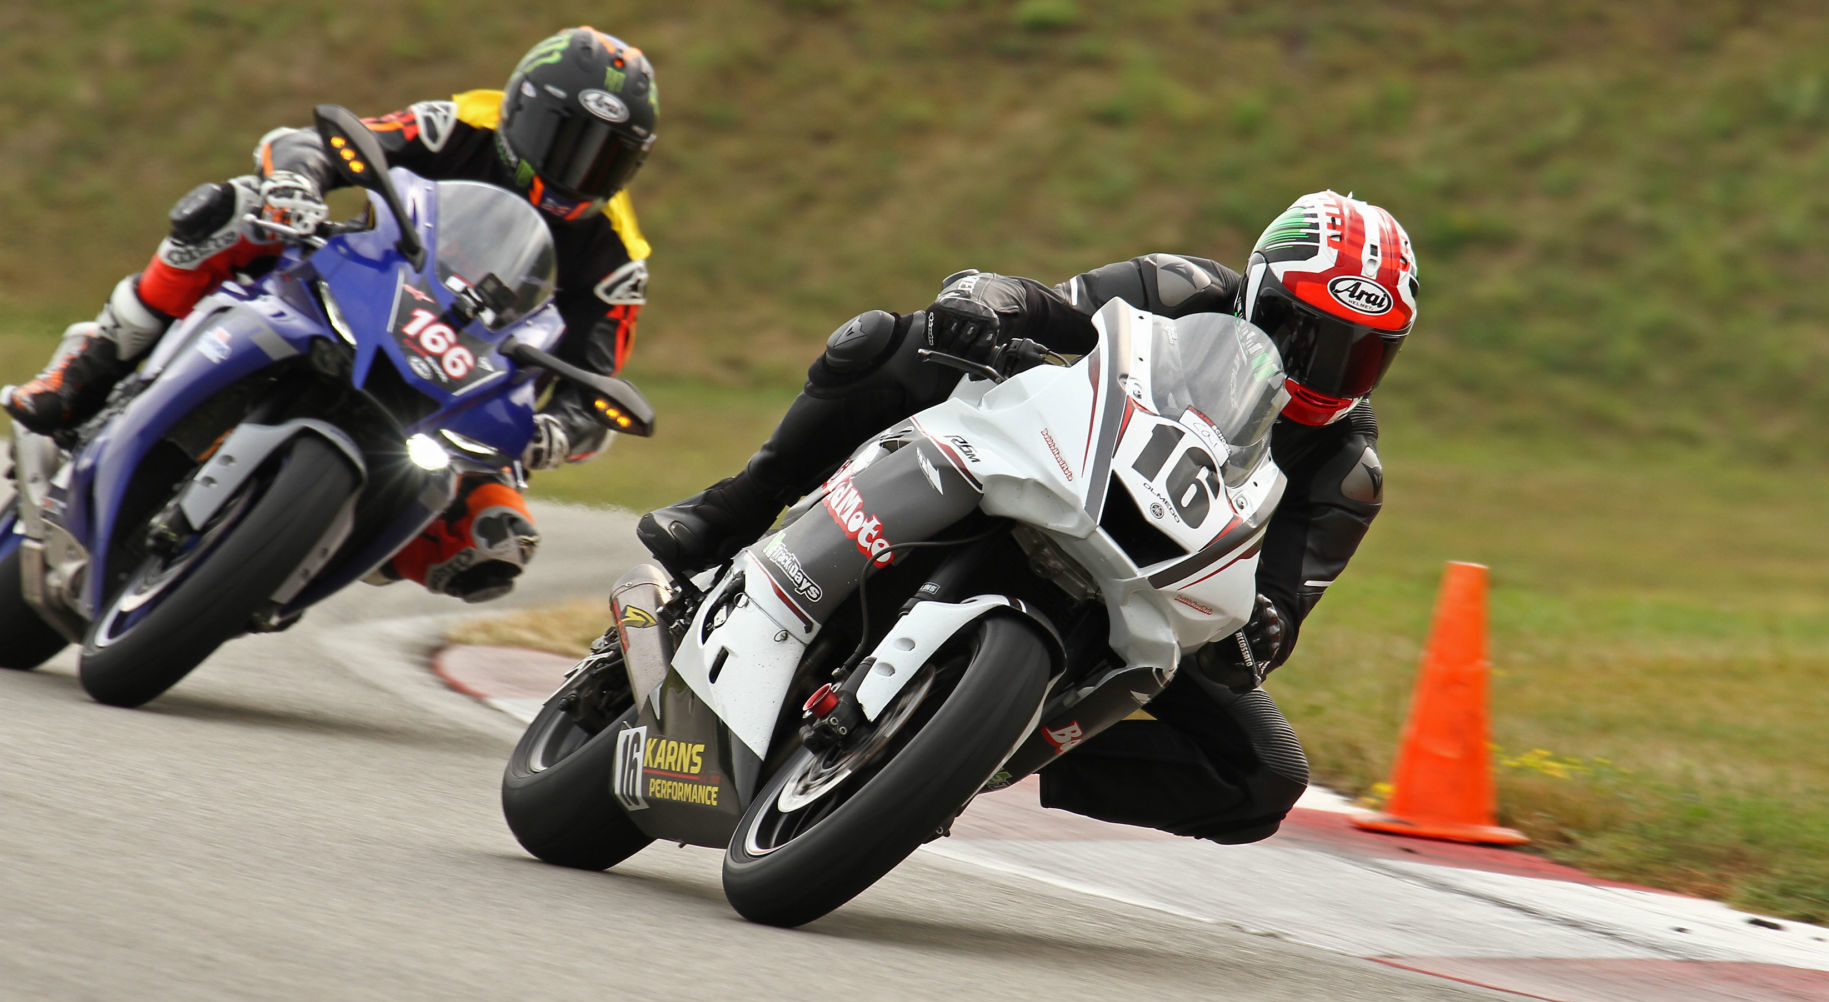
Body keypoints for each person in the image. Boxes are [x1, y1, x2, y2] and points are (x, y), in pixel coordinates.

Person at [639, 190, 1418, 843]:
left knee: (1265, 778)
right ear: (1258, 293)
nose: (1320, 370)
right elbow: (1056, 308)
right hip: (1056, 464)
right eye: (1302, 334)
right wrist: (988, 302)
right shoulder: (1182, 288)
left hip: (1157, 592)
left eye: (1359, 354)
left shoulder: (1348, 470)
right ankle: (730, 511)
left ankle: (959, 751)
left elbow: (1280, 605)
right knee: (894, 340)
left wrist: (1264, 633)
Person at [2, 27, 660, 603]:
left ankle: (287, 557)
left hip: (462, 378)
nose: (577, 167)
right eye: (564, 139)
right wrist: (298, 184)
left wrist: (557, 432)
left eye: (606, 155)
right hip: (368, 285)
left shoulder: (618, 260)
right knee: (232, 209)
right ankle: (84, 372)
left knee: (496, 539)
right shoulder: (459, 124)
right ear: (521, 110)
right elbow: (315, 143)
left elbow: (593, 388)